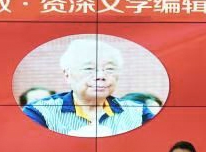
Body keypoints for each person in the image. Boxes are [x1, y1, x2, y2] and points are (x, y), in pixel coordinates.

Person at [22, 39, 155, 137]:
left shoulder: (138, 112)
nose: (101, 76)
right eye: (89, 69)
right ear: (67, 75)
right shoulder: (39, 112)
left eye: (109, 69)